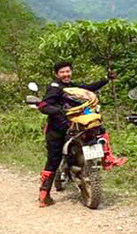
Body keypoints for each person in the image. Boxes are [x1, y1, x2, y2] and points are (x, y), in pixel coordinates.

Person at [37, 61, 115, 207]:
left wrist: (106, 79)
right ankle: (44, 195)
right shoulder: (55, 88)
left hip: (75, 127)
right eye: (62, 72)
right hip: (58, 129)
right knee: (53, 160)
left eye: (68, 71)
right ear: (57, 74)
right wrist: (60, 111)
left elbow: (88, 88)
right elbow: (43, 105)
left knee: (99, 133)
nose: (66, 74)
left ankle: (106, 158)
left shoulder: (71, 86)